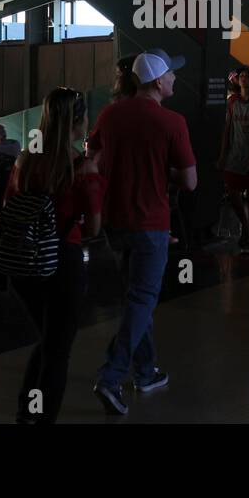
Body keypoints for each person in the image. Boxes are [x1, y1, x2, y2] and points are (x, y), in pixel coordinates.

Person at [88, 49, 197, 415]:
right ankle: (111, 376)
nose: (174, 79)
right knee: (142, 299)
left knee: (137, 299)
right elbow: (191, 181)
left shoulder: (109, 114)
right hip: (151, 223)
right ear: (157, 82)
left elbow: (94, 158)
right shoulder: (172, 122)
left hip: (115, 223)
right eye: (171, 75)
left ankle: (146, 372)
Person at [5, 88, 106, 424]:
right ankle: (42, 417)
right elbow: (92, 226)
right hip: (62, 260)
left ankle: (26, 410)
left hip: (22, 262)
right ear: (78, 122)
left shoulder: (24, 160)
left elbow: (8, 208)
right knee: (58, 348)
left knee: (47, 339)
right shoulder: (80, 167)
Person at [218, 65, 249, 254]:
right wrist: (223, 154)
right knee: (233, 193)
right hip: (236, 155)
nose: (244, 78)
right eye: (241, 76)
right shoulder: (232, 102)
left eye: (248, 76)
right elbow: (227, 129)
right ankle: (246, 226)